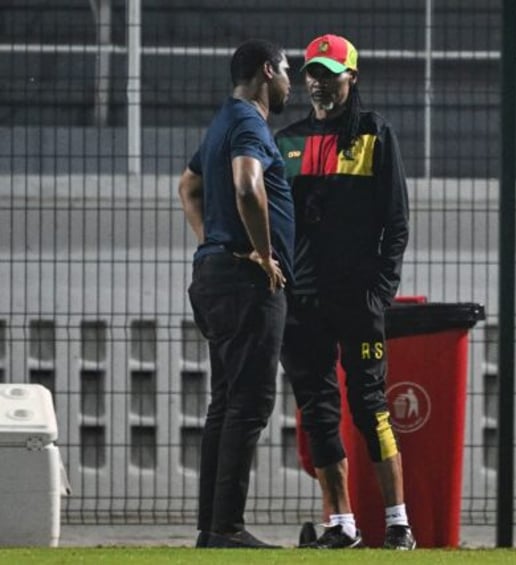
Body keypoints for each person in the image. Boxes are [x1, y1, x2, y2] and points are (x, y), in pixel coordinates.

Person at [275, 34, 414, 550]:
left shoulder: (377, 135)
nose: (319, 82)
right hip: (303, 303)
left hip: (358, 301)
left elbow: (396, 223)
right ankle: (343, 526)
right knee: (318, 411)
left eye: (331, 73)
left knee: (370, 405)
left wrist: (380, 290)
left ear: (352, 78)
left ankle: (399, 523)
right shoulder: (287, 141)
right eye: (314, 71)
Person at [178, 38, 294, 549]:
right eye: (289, 71)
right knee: (248, 404)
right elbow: (248, 186)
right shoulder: (249, 122)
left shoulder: (222, 120)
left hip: (215, 277)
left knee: (224, 404)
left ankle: (212, 526)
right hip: (247, 284)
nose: (292, 81)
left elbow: (187, 187)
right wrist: (262, 252)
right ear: (268, 71)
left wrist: (213, 246)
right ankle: (226, 527)